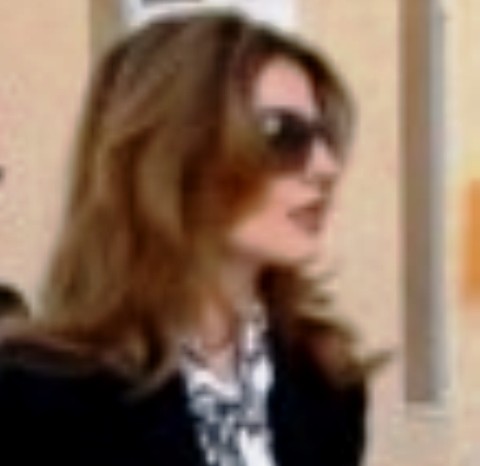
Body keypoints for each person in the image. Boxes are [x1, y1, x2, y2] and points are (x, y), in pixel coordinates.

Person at [0, 11, 371, 466]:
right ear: (173, 152)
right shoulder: (34, 394)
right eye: (281, 134)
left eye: (324, 136)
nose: (325, 167)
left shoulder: (325, 382)